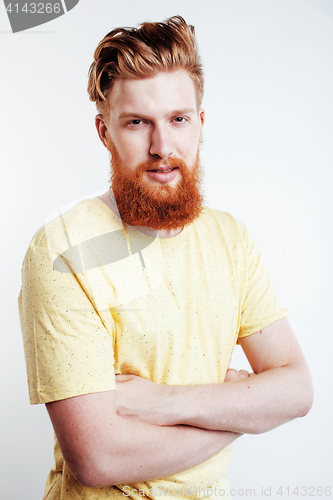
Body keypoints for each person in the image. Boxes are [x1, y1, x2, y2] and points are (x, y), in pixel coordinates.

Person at [18, 15, 313, 500]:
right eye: (137, 122)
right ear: (104, 131)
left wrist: (162, 403)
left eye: (178, 119)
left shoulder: (230, 239)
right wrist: (241, 414)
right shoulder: (60, 253)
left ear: (199, 123)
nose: (162, 147)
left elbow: (297, 391)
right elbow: (97, 458)